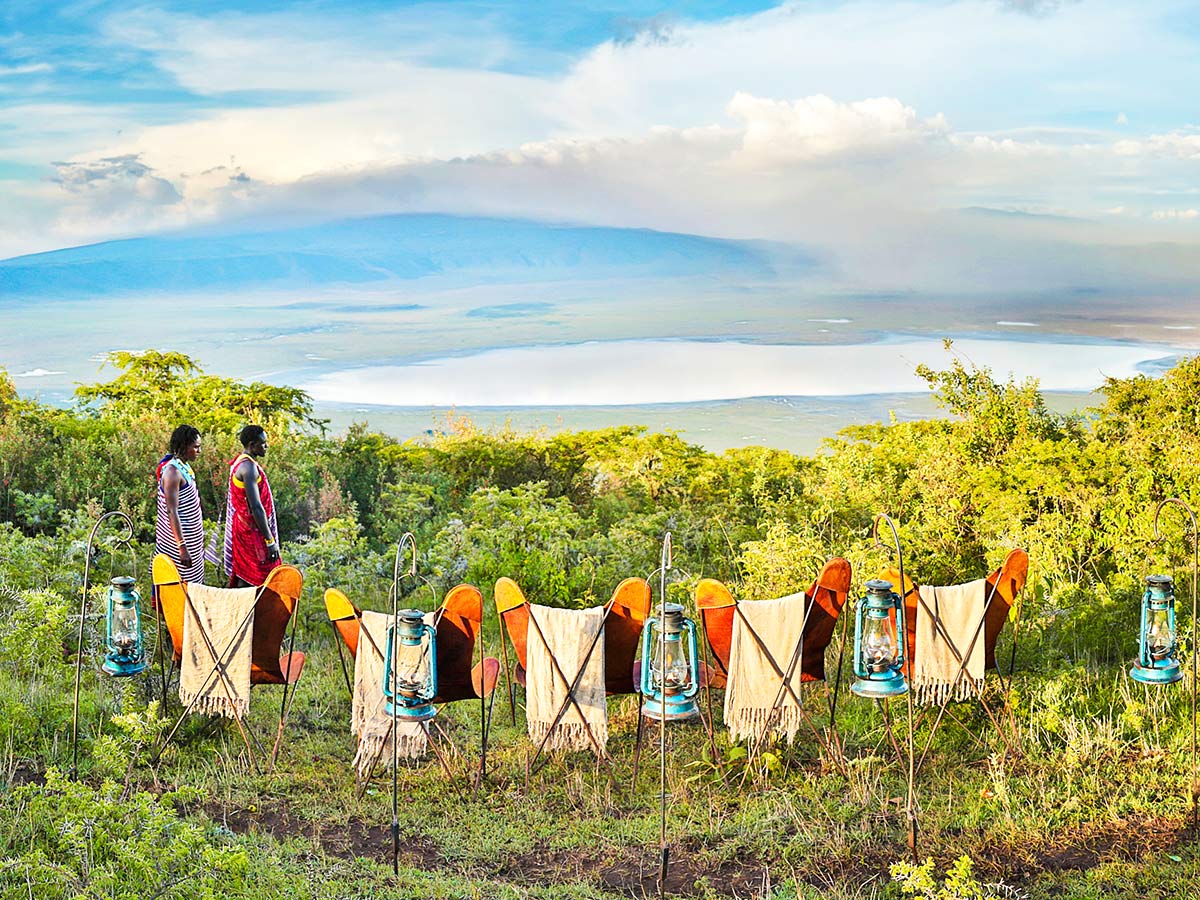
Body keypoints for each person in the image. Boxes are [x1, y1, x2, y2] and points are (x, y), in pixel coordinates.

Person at [224, 425, 281, 587]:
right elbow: (256, 507)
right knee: (260, 574)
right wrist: (270, 541)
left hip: (243, 527)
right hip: (251, 532)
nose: (266, 446)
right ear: (251, 445)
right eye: (262, 443)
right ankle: (250, 611)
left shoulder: (240, 462)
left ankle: (243, 610)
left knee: (246, 572)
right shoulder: (248, 468)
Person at [155, 425, 205, 584]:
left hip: (192, 542)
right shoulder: (172, 472)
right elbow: (171, 511)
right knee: (179, 588)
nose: (199, 451)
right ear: (183, 447)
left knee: (193, 586)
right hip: (177, 545)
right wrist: (182, 547)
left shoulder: (184, 467)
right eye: (195, 447)